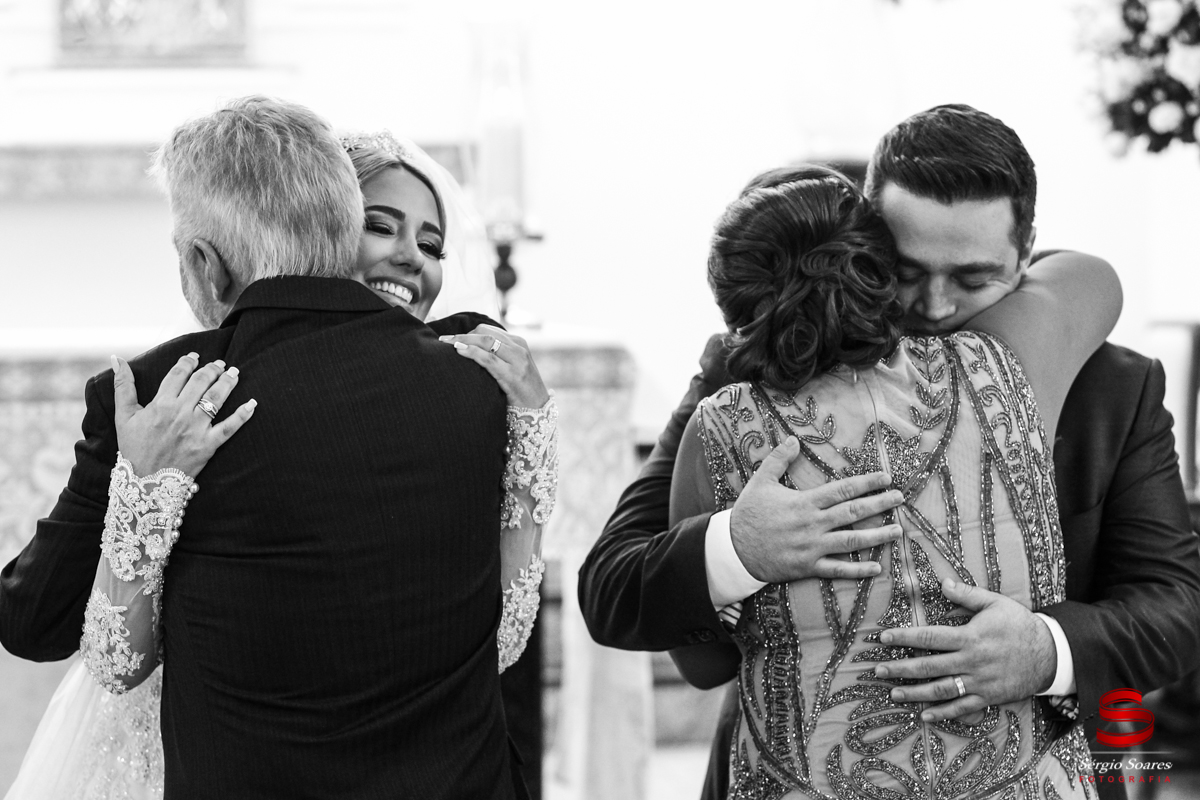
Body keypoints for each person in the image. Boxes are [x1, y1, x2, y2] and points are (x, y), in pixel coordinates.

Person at [577, 105, 1200, 800]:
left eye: (973, 279)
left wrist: (1046, 650)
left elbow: (1176, 609)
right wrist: (734, 548)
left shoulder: (1114, 386)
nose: (934, 305)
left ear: (1026, 254)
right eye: (906, 271)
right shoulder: (750, 369)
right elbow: (612, 586)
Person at [0, 99, 555, 799]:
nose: (409, 256)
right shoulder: (483, 377)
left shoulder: (159, 398)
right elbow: (500, 636)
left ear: (205, 264)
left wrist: (145, 487)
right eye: (381, 225)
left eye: (431, 243)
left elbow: (51, 629)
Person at [669, 162, 1117, 796]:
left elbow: (702, 663)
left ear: (731, 303)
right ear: (884, 273)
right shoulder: (1002, 361)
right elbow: (1093, 277)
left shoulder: (721, 428)